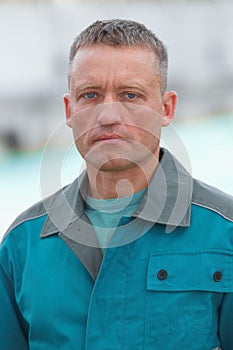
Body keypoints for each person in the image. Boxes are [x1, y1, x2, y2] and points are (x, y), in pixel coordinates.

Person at [0, 19, 233, 350]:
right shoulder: (20, 246)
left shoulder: (225, 233)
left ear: (166, 108)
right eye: (90, 95)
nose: (108, 115)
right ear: (70, 109)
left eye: (130, 95)